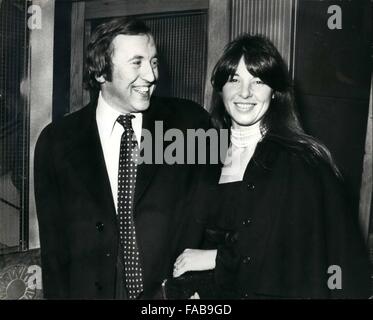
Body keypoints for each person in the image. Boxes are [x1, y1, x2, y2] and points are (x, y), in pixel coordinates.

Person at [173, 34, 371, 299]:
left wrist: (216, 258)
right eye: (234, 80)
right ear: (221, 90)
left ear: (275, 92)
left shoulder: (302, 163)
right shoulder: (206, 156)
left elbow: (288, 253)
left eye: (258, 81)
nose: (244, 93)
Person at [34, 18, 210, 299]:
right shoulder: (57, 142)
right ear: (101, 72)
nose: (151, 75)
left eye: (153, 62)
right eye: (136, 63)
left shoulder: (189, 124)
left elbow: (218, 210)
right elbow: (54, 254)